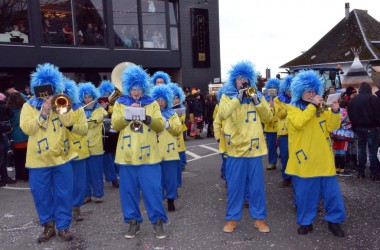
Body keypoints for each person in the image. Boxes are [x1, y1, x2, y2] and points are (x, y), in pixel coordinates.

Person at [286, 70, 346, 237]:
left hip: (324, 159)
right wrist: (312, 106)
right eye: (308, 91)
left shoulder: (322, 108)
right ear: (300, 91)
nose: (312, 94)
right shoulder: (292, 109)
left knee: (332, 195)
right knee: (305, 196)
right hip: (304, 160)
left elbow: (332, 127)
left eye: (314, 91)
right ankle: (306, 222)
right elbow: (298, 123)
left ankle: (334, 221)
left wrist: (334, 111)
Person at [20, 63, 75, 242]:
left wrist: (59, 107)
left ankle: (64, 226)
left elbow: (70, 121)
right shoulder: (28, 106)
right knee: (41, 194)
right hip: (38, 160)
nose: (48, 94)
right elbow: (26, 129)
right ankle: (48, 225)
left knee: (64, 193)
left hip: (61, 157)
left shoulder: (61, 102)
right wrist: (42, 112)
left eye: (51, 89)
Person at [111, 65, 167, 239]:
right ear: (128, 88)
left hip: (149, 157)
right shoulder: (120, 103)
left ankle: (158, 222)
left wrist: (147, 117)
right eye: (133, 88)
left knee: (153, 191)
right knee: (128, 193)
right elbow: (115, 125)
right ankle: (133, 223)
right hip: (126, 156)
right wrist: (128, 114)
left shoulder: (152, 103)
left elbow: (160, 126)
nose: (136, 92)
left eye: (139, 88)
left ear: (144, 88)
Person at [218, 61, 273, 234]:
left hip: (254, 149)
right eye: (240, 78)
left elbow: (268, 117)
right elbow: (223, 114)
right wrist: (239, 97)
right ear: (234, 80)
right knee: (235, 186)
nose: (243, 81)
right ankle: (232, 219)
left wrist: (256, 100)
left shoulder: (257, 96)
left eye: (246, 78)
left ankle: (259, 219)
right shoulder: (227, 96)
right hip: (235, 149)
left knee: (256, 187)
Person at [152, 84, 182, 211]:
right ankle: (158, 201)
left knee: (170, 179)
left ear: (166, 100)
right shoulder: (151, 114)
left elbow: (178, 130)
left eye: (162, 100)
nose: (160, 103)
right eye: (158, 100)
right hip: (154, 152)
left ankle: (171, 200)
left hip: (170, 152)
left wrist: (168, 124)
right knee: (155, 180)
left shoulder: (172, 114)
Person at [63, 79, 89, 222]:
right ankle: (64, 209)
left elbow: (84, 129)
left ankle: (76, 208)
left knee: (78, 183)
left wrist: (71, 127)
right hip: (62, 152)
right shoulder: (55, 110)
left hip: (79, 151)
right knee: (63, 183)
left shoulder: (79, 108)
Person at [79, 82, 107, 203]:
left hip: (95, 145)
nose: (87, 99)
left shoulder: (99, 109)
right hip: (83, 145)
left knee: (96, 172)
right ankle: (86, 194)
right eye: (85, 97)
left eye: (89, 96)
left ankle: (98, 194)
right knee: (84, 173)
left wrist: (83, 121)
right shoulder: (79, 109)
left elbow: (94, 121)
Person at [347, 82, 380, 180]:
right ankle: (374, 173)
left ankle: (361, 173)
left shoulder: (353, 100)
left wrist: (354, 126)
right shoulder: (374, 99)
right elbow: (378, 114)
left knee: (361, 150)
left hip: (358, 128)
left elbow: (350, 115)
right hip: (372, 127)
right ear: (369, 89)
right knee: (372, 152)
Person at [97, 80, 119, 188]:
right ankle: (112, 177)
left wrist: (107, 108)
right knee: (107, 155)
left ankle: (115, 176)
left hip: (113, 130)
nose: (107, 95)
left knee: (113, 155)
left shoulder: (116, 102)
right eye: (105, 93)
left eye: (109, 93)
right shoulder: (97, 102)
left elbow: (117, 112)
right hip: (103, 131)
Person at [273, 75, 292, 187]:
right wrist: (288, 106)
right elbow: (280, 114)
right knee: (285, 155)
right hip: (284, 133)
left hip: (295, 131)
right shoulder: (277, 100)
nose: (290, 92)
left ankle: (296, 176)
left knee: (294, 155)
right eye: (289, 90)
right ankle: (286, 177)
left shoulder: (297, 98)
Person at [167, 82, 187, 186]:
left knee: (178, 163)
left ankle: (177, 183)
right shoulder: (165, 110)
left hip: (178, 138)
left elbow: (181, 123)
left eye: (176, 98)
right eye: (173, 98)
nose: (175, 100)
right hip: (167, 140)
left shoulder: (181, 109)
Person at [6, 92, 29, 181]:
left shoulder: (9, 109)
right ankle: (26, 176)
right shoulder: (25, 107)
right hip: (25, 134)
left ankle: (18, 175)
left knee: (18, 158)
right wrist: (19, 93)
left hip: (15, 136)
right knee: (26, 158)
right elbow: (28, 99)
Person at [331, 99, 354, 176]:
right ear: (347, 106)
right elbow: (346, 123)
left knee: (337, 151)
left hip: (336, 134)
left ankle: (336, 169)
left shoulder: (336, 110)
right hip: (344, 134)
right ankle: (342, 170)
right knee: (342, 152)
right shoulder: (345, 112)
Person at [263, 78, 280, 170]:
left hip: (280, 127)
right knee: (271, 146)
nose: (273, 89)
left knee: (284, 146)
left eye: (275, 87)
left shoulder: (281, 99)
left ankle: (284, 162)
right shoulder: (265, 100)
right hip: (269, 127)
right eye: (271, 87)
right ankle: (272, 162)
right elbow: (264, 114)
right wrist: (270, 106)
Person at [0, 92, 16, 186]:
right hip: (5, 131)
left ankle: (4, 177)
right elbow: (11, 114)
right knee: (3, 156)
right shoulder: (5, 107)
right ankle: (4, 177)